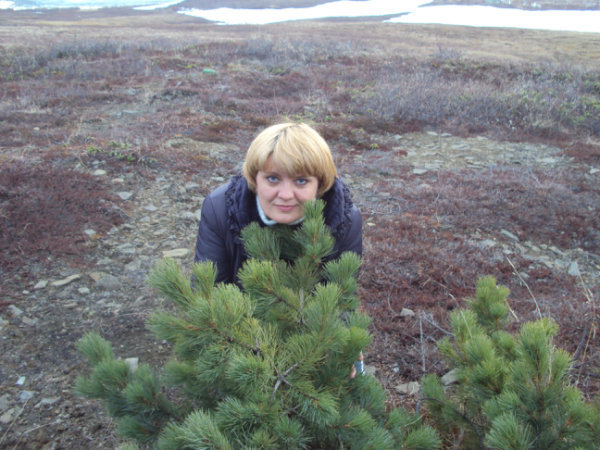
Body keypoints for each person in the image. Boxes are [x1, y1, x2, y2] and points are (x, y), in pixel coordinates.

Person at [194, 122, 362, 285]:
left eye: (301, 181)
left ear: (319, 184)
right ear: (255, 178)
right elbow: (208, 294)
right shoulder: (220, 209)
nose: (286, 195)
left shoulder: (343, 219)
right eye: (273, 179)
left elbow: (341, 298)